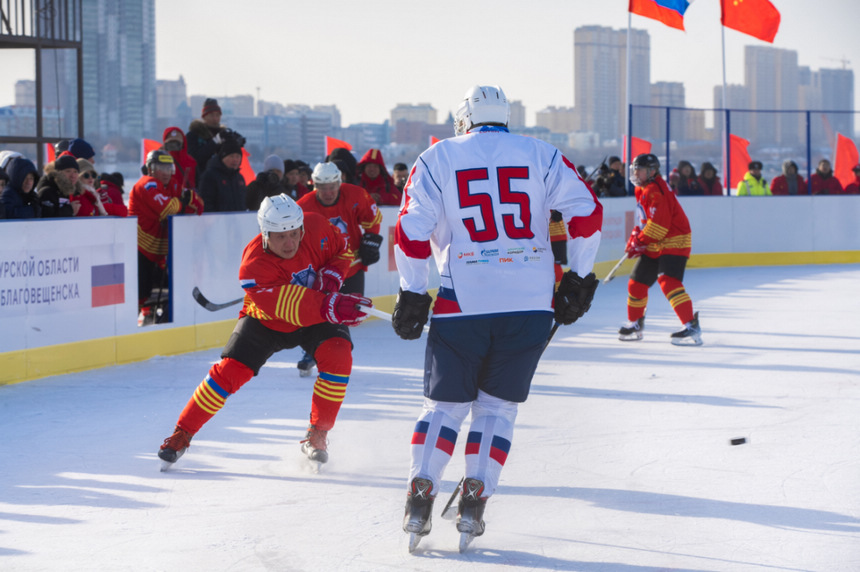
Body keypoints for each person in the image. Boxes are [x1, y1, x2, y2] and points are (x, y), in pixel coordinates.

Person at [392, 85, 602, 550]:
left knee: (443, 409)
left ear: (464, 119)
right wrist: (580, 278)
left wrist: (411, 291)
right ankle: (474, 501)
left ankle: (421, 492)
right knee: (497, 410)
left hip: (461, 301)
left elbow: (409, 230)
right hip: (529, 302)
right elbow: (586, 214)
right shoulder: (542, 154)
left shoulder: (437, 157)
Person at [157, 194, 373, 469]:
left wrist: (332, 274)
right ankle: (182, 433)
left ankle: (318, 433)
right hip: (268, 319)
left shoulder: (317, 226)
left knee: (340, 356)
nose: (290, 243)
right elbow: (291, 307)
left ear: (302, 228)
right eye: (280, 236)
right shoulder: (253, 265)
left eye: (295, 234)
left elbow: (343, 251)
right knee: (229, 372)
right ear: (265, 234)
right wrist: (332, 304)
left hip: (316, 310)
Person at [295, 162, 382, 376]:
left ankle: (335, 352)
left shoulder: (355, 195)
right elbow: (293, 239)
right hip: (320, 270)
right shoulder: (303, 206)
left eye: (332, 185)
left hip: (351, 266)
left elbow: (374, 219)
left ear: (339, 182)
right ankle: (313, 349)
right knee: (317, 311)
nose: (327, 191)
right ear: (314, 185)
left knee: (347, 311)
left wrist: (371, 240)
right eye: (322, 186)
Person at [618, 153, 702, 346]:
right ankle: (635, 324)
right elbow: (644, 221)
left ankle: (691, 325)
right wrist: (635, 237)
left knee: (668, 281)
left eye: (640, 169)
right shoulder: (643, 189)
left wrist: (640, 240)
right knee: (636, 283)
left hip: (674, 240)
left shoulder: (657, 190)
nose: (636, 172)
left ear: (652, 171)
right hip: (655, 242)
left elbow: (659, 226)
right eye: (635, 169)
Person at [128, 150, 204, 323]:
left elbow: (198, 205)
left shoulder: (173, 185)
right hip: (141, 247)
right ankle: (128, 326)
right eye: (159, 167)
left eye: (168, 167)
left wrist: (187, 201)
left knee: (169, 290)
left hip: (162, 250)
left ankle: (158, 319)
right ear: (149, 169)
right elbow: (167, 209)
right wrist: (183, 202)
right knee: (139, 292)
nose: (165, 172)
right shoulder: (146, 184)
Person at [186, 98, 246, 173]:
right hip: (200, 178)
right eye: (211, 115)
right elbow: (194, 158)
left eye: (217, 115)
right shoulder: (193, 135)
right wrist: (215, 142)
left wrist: (235, 144)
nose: (215, 118)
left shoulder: (224, 135)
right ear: (204, 117)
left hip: (221, 179)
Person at [197, 138, 247, 212]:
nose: (235, 160)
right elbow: (206, 202)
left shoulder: (240, 178)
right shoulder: (210, 176)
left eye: (238, 156)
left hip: (237, 222)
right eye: (231, 156)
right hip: (217, 221)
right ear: (223, 157)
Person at [37, 153, 80, 217]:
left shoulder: (69, 191)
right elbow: (47, 218)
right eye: (68, 171)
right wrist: (70, 209)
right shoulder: (47, 192)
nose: (73, 175)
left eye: (75, 172)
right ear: (58, 173)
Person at [163, 126, 198, 191]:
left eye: (177, 143)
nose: (174, 146)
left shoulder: (191, 162)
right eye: (171, 143)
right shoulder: (160, 161)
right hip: (167, 198)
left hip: (187, 198)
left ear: (183, 144)